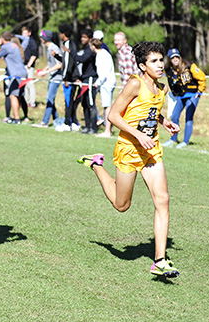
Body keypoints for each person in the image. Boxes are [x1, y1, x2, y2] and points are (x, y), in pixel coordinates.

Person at [77, 41, 181, 278]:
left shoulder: (161, 88)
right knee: (122, 205)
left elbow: (150, 111)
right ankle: (96, 164)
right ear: (143, 65)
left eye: (160, 59)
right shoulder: (135, 84)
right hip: (128, 148)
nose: (159, 64)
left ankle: (160, 260)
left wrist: (163, 122)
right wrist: (137, 134)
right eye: (154, 61)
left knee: (162, 199)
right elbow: (113, 115)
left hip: (150, 150)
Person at [161, 49, 206, 148]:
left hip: (192, 95)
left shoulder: (189, 65)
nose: (175, 59)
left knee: (188, 117)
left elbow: (202, 77)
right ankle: (173, 139)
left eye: (177, 56)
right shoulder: (168, 69)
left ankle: (185, 142)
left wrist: (200, 91)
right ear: (169, 59)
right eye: (172, 57)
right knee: (174, 116)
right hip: (181, 96)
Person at [0, 31, 28, 124]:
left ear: (2, 39)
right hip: (23, 72)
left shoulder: (6, 47)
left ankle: (16, 118)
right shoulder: (14, 45)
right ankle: (15, 116)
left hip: (15, 74)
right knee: (18, 96)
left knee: (13, 96)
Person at [34, 30, 63, 128]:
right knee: (50, 99)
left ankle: (44, 122)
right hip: (52, 76)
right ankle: (56, 120)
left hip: (56, 77)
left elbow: (59, 64)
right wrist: (44, 69)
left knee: (49, 98)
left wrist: (46, 72)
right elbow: (52, 63)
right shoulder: (49, 48)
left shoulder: (54, 48)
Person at [73, 30, 99, 134]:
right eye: (81, 37)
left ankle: (93, 127)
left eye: (85, 37)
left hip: (90, 79)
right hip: (84, 79)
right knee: (84, 103)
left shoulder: (90, 50)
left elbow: (82, 59)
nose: (82, 39)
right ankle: (87, 126)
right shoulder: (86, 49)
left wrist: (71, 53)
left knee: (90, 103)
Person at [55, 24, 79, 132]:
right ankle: (73, 122)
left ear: (63, 34)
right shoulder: (70, 44)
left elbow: (69, 63)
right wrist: (56, 56)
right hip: (71, 77)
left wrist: (66, 78)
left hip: (69, 78)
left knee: (68, 101)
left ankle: (67, 123)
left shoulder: (68, 45)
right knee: (70, 100)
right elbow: (66, 60)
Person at [93, 38, 117, 137]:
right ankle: (108, 129)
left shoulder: (100, 55)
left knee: (107, 107)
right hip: (110, 81)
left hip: (106, 83)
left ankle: (107, 131)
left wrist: (97, 82)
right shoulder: (105, 53)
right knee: (107, 106)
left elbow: (103, 73)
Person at [20, 27, 39, 109]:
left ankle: (32, 102)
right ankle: (26, 101)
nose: (24, 35)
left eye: (25, 33)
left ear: (29, 33)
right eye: (23, 33)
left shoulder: (32, 42)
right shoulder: (23, 42)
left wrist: (29, 65)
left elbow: (34, 54)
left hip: (29, 66)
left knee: (30, 84)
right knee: (24, 84)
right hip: (22, 65)